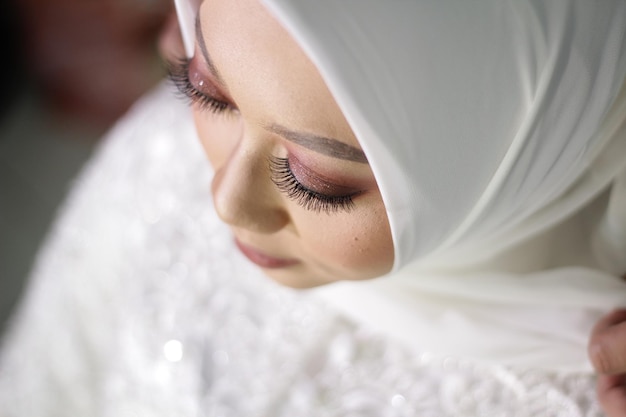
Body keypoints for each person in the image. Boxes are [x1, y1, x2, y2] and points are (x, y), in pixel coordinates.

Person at [1, 0, 625, 415]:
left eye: (316, 182)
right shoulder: (162, 168)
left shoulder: (599, 387)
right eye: (208, 92)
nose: (225, 202)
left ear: (526, 147)